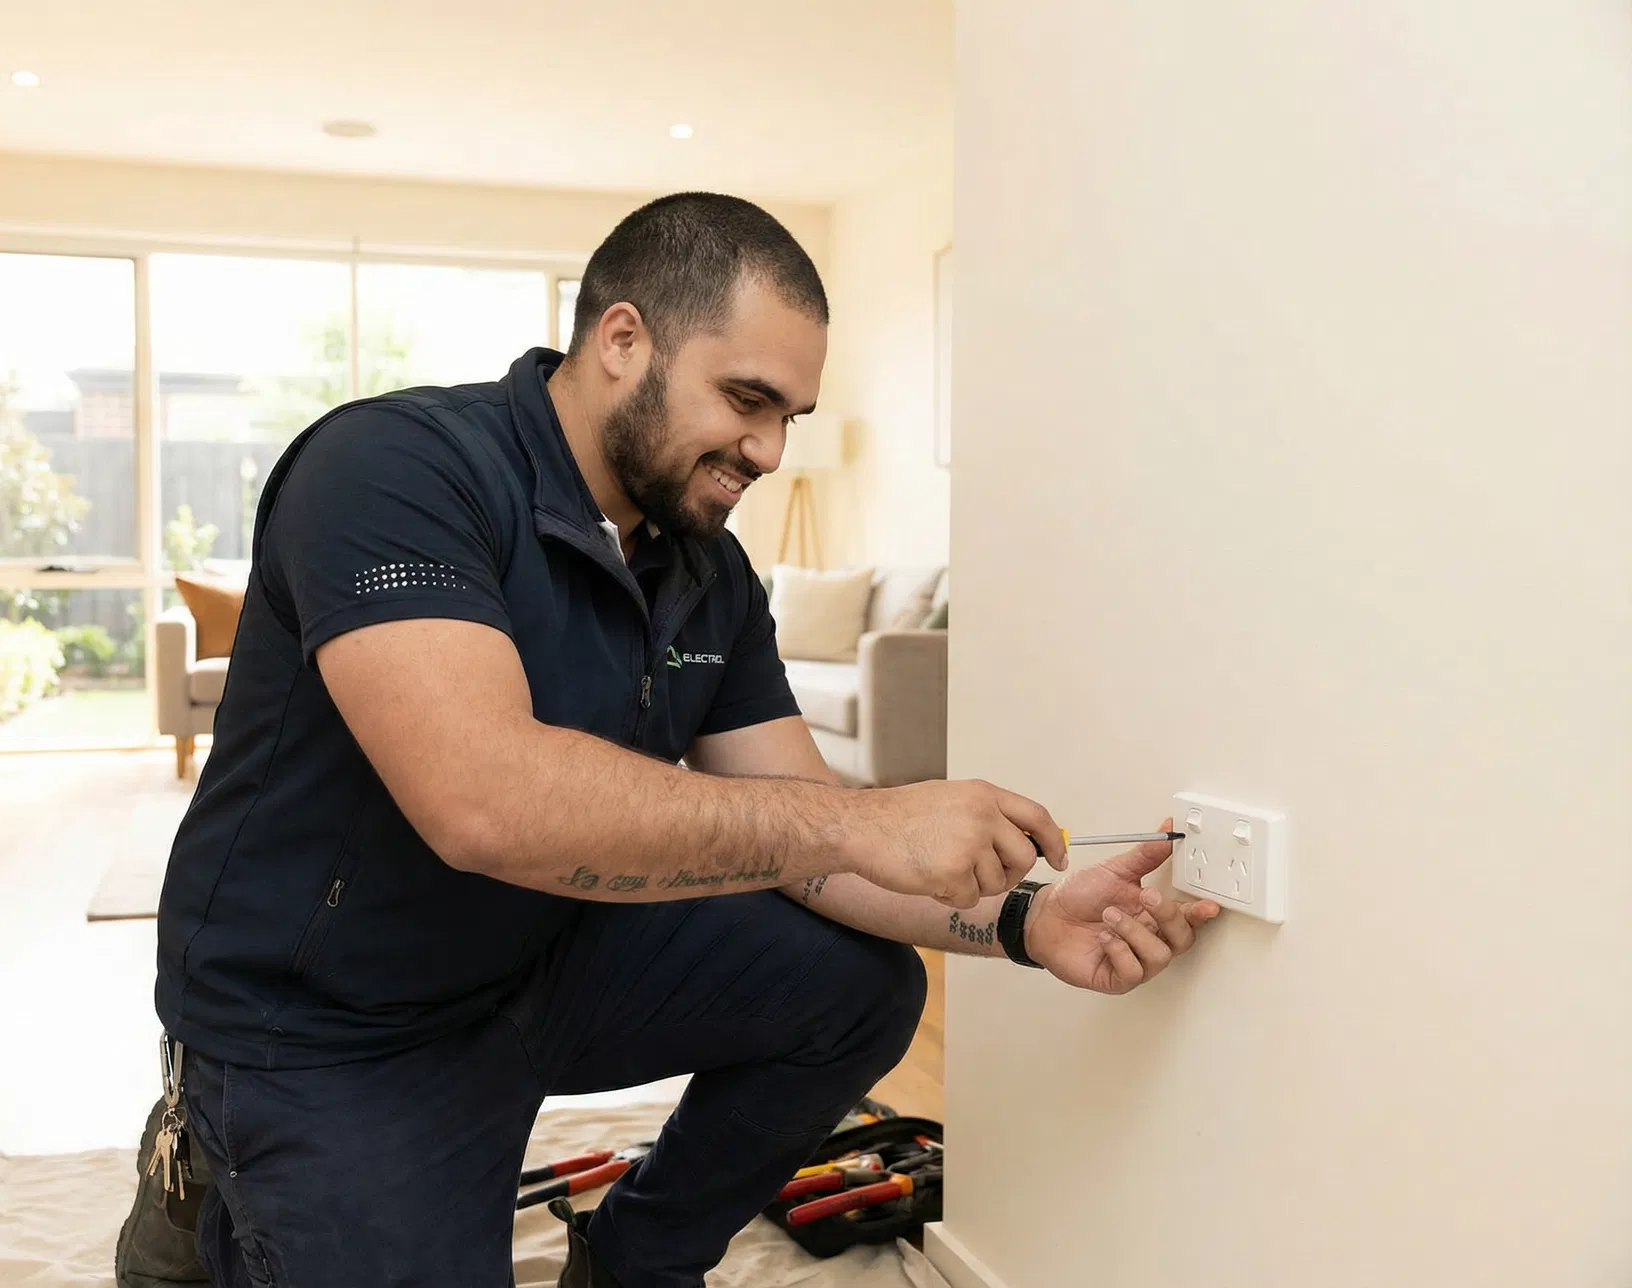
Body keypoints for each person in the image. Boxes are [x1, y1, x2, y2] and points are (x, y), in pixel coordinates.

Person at [154, 192, 1220, 1288]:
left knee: (859, 985)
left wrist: (1027, 921)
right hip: (332, 1022)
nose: (766, 448)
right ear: (623, 339)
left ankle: (634, 1265)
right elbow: (481, 801)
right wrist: (860, 818)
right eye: (747, 398)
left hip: (537, 962)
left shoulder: (704, 566)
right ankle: (212, 1173)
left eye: (791, 416)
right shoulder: (395, 470)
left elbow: (820, 855)